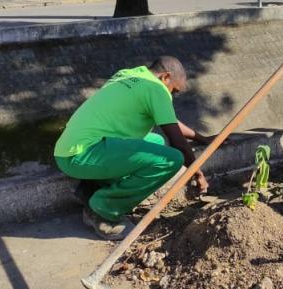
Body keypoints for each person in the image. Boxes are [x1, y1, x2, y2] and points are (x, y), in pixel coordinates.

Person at [54, 56, 212, 240]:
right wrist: (197, 173)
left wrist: (200, 137)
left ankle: (91, 188)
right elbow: (177, 140)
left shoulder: (130, 74)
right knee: (172, 159)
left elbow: (170, 122)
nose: (172, 96)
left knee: (156, 142)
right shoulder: (156, 89)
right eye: (174, 91)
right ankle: (103, 210)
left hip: (71, 149)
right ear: (166, 77)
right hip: (81, 156)